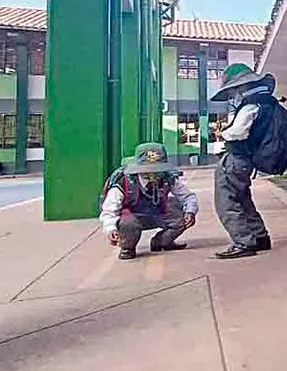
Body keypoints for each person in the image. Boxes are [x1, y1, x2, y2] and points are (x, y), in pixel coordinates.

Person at [209, 63, 276, 259]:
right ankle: (259, 236)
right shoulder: (266, 103)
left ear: (241, 87)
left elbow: (237, 133)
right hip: (246, 160)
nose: (231, 96)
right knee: (243, 199)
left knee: (226, 201)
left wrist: (223, 132)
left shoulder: (250, 106)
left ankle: (243, 241)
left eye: (232, 91)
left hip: (235, 159)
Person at [99, 143, 199, 261]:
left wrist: (190, 212)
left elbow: (188, 196)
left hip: (157, 212)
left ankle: (161, 242)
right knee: (128, 224)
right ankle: (128, 247)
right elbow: (109, 210)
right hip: (132, 217)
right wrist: (111, 228)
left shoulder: (168, 178)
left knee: (180, 219)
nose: (153, 174)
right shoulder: (123, 182)